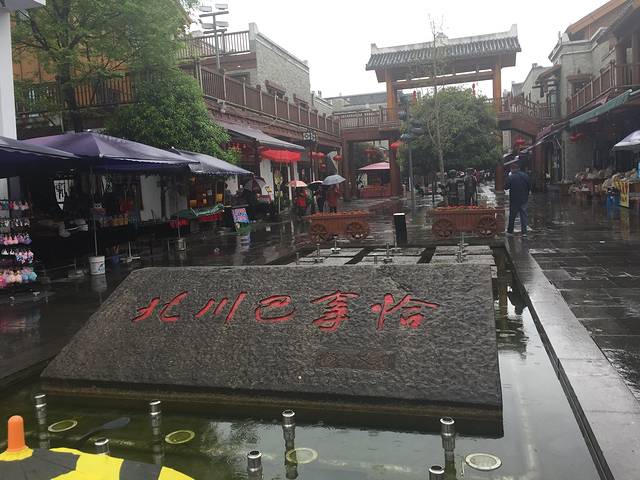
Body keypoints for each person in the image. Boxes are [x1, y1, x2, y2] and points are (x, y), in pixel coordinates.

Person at [505, 163, 531, 236]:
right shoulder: (525, 176)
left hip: (514, 199)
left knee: (512, 216)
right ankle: (524, 232)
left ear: (512, 169)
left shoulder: (511, 177)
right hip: (524, 199)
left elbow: (506, 187)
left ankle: (510, 231)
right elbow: (529, 186)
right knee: (523, 215)